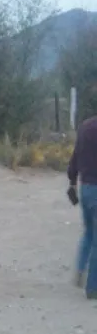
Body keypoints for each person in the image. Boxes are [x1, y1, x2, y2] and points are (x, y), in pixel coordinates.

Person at [67, 114, 97, 299]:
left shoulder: (85, 126)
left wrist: (72, 182)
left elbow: (75, 156)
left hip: (85, 187)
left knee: (88, 233)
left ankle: (79, 270)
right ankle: (92, 287)